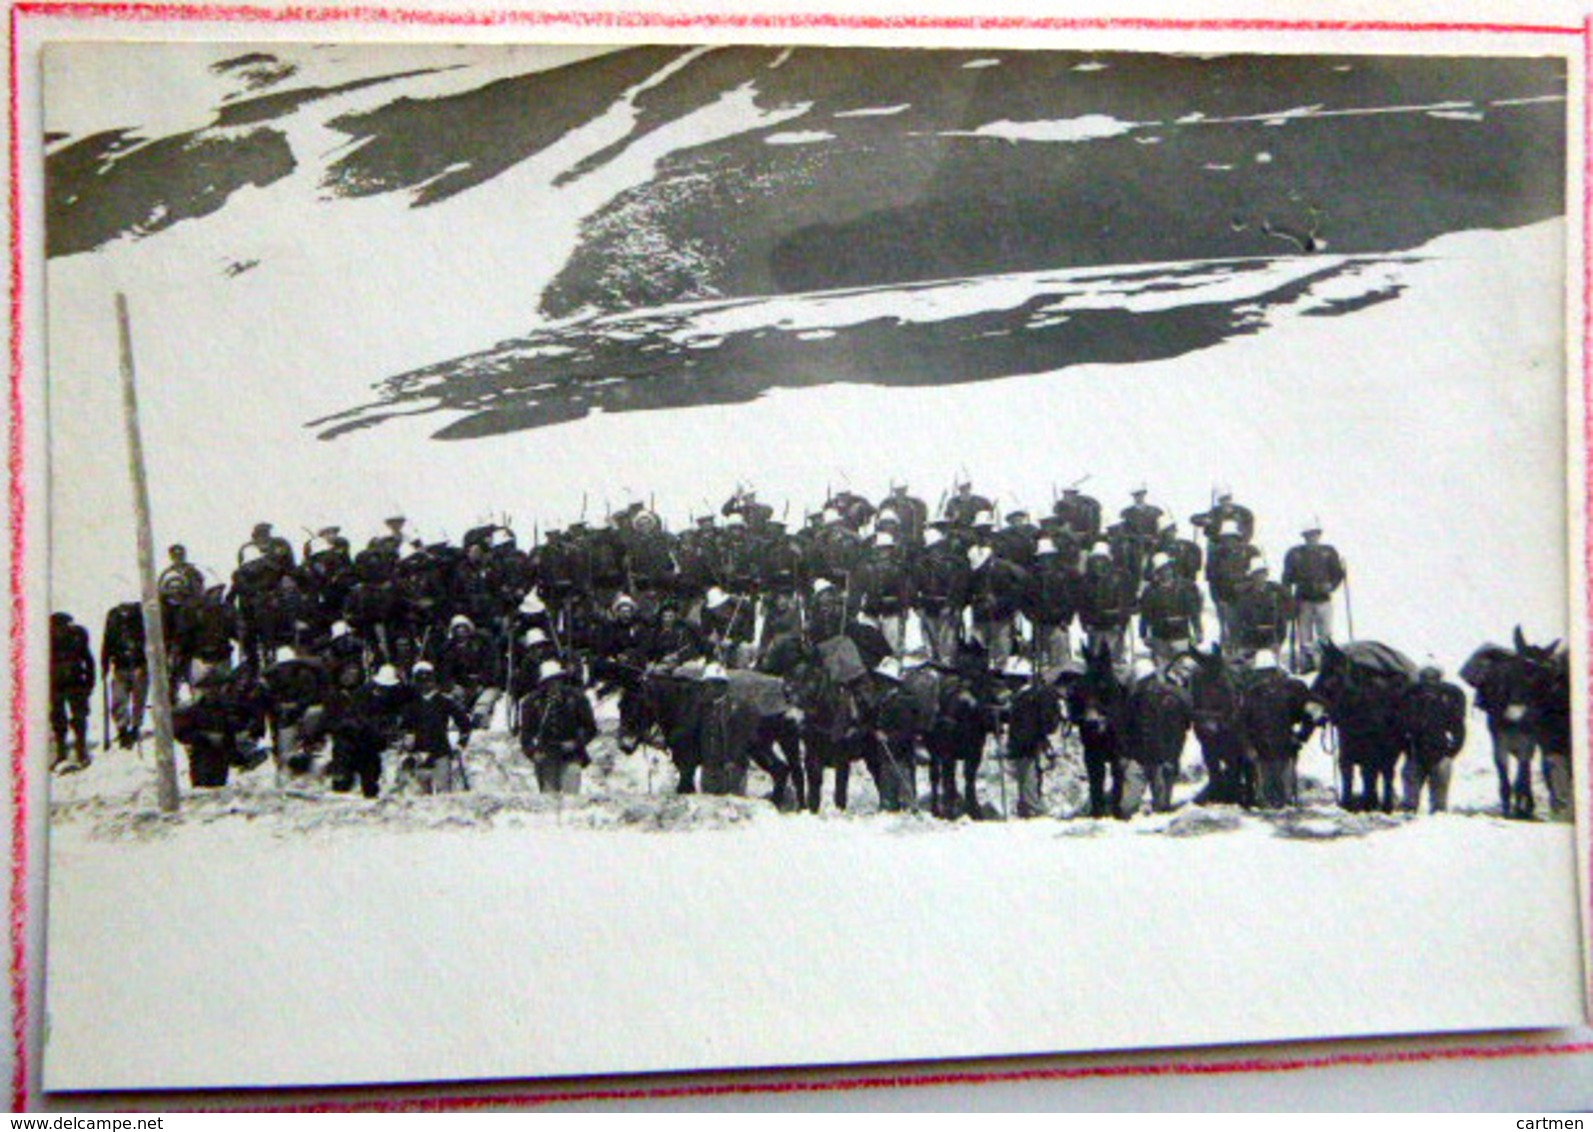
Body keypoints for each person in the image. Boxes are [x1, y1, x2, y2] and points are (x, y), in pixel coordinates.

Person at [1240, 650, 1316, 808]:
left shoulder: (1292, 690)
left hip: (1285, 750)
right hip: (1261, 752)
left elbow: (1309, 715)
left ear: (1276, 671)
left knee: (1285, 797)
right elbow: (1243, 723)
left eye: (1269, 673)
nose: (1266, 678)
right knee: (1266, 798)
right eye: (1262, 674)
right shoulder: (1252, 694)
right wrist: (1249, 747)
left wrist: (1301, 736)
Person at [518, 659, 597, 795]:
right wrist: (532, 752)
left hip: (570, 755)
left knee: (571, 796)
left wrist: (576, 743)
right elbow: (526, 734)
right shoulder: (532, 703)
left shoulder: (576, 698)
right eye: (549, 682)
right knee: (549, 796)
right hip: (546, 755)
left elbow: (590, 728)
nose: (554, 685)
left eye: (557, 680)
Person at [1399, 664, 1467, 813]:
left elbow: (1458, 728)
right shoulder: (1411, 699)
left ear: (1439, 681)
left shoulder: (1448, 702)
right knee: (1409, 802)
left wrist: (1451, 753)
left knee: (1439, 805)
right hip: (1415, 753)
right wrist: (1407, 749)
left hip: (1439, 754)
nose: (1429, 683)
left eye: (1433, 679)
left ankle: (1436, 823)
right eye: (1425, 679)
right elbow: (1401, 725)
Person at [398, 661, 473, 794]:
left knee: (443, 793)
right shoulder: (411, 705)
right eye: (420, 681)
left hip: (440, 752)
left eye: (428, 680)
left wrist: (461, 743)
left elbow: (465, 723)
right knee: (419, 795)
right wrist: (406, 743)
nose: (425, 685)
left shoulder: (444, 702)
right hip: (419, 754)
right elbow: (404, 727)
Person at [1000, 657, 1062, 818]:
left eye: (1009, 679)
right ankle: (1027, 809)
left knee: (1028, 781)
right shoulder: (1024, 696)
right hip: (1025, 746)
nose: (1007, 683)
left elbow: (1028, 725)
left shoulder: (1027, 698)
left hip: (1027, 747)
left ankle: (1034, 811)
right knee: (1025, 780)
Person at [1281, 523, 1346, 671]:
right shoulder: (1295, 554)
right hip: (1303, 600)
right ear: (1304, 537)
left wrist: (1332, 585)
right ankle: (1307, 663)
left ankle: (1327, 663)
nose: (1312, 538)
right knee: (1305, 636)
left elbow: (1338, 573)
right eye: (1309, 535)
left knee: (1325, 634)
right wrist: (1288, 600)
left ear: (1319, 535)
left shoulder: (1328, 552)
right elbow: (1286, 579)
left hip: (1324, 599)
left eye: (1314, 534)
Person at [49, 613, 95, 771]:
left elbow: (88, 659)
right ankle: (61, 752)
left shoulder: (78, 635)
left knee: (79, 718)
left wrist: (89, 682)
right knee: (58, 720)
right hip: (55, 685)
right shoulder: (45, 639)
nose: (61, 629)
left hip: (76, 683)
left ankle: (81, 750)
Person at [101, 601, 148, 749]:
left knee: (139, 699)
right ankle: (122, 730)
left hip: (139, 665)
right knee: (118, 699)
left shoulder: (141, 619)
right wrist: (105, 664)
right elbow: (107, 642)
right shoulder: (113, 619)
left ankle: (135, 728)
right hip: (120, 665)